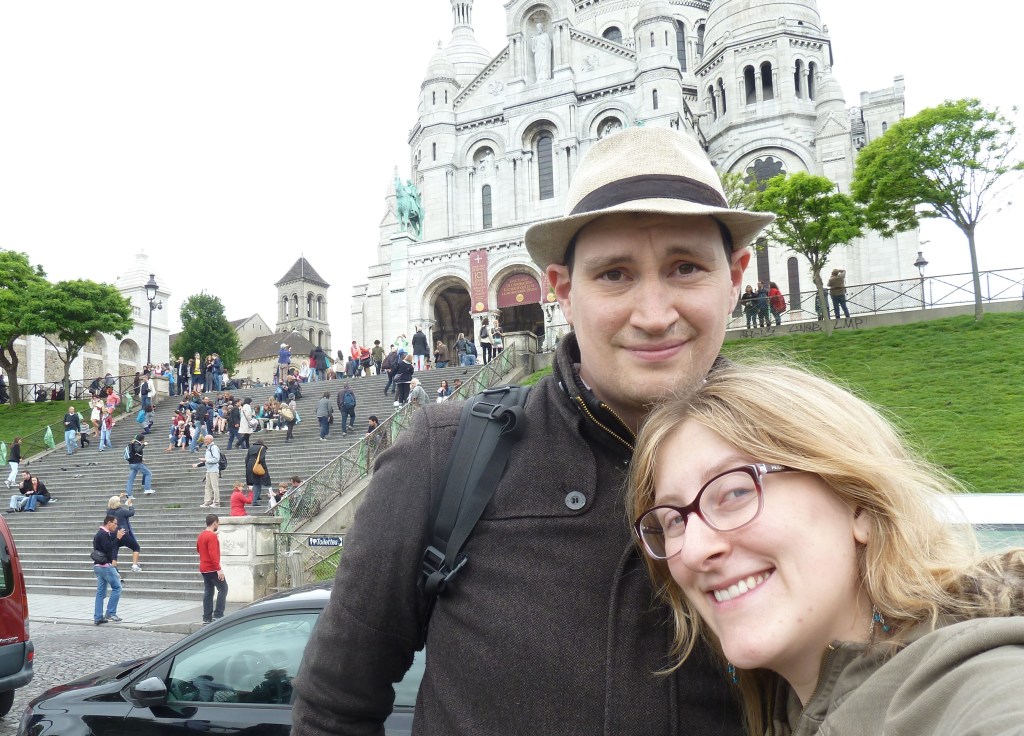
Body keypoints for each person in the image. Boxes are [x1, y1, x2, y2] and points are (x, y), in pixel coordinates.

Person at [291, 126, 774, 735]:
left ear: (735, 278)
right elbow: (334, 706)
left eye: (685, 267)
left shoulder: (802, 462)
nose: (653, 315)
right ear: (563, 293)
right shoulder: (444, 456)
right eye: (615, 275)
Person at [628, 358, 1024, 736]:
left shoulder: (973, 684)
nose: (695, 551)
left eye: (734, 491)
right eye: (674, 521)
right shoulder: (785, 713)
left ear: (860, 506)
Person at [93, 515, 126, 625]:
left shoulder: (101, 533)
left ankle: (98, 617)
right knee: (117, 587)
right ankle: (111, 612)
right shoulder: (103, 534)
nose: (116, 526)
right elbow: (108, 548)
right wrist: (117, 539)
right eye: (115, 523)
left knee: (100, 593)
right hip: (105, 566)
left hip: (98, 566)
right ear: (109, 523)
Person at [197, 514, 227, 624]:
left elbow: (198, 549)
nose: (218, 525)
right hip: (212, 568)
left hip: (203, 568)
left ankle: (206, 617)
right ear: (215, 523)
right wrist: (219, 569)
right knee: (223, 589)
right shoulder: (212, 536)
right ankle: (218, 615)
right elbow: (213, 555)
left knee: (208, 591)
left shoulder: (201, 535)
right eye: (218, 523)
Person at [107, 494, 142, 572]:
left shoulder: (108, 511)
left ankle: (114, 569)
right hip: (123, 534)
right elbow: (131, 513)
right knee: (136, 547)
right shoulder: (122, 511)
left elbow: (113, 503)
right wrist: (130, 505)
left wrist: (119, 497)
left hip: (113, 534)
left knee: (114, 551)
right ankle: (134, 566)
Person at [194, 435, 222, 508]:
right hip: (209, 470)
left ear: (210, 440)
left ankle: (216, 502)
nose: (204, 440)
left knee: (214, 487)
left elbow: (216, 459)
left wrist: (206, 460)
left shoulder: (214, 447)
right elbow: (207, 460)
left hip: (214, 470)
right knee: (207, 487)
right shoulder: (208, 448)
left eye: (206, 439)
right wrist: (198, 464)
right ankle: (207, 501)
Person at [245, 438, 271, 506]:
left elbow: (246, 458)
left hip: (249, 465)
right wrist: (264, 468)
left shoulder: (251, 447)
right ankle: (254, 501)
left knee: (256, 482)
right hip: (257, 466)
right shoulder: (262, 447)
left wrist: (247, 467)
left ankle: (257, 496)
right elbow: (261, 459)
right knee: (257, 483)